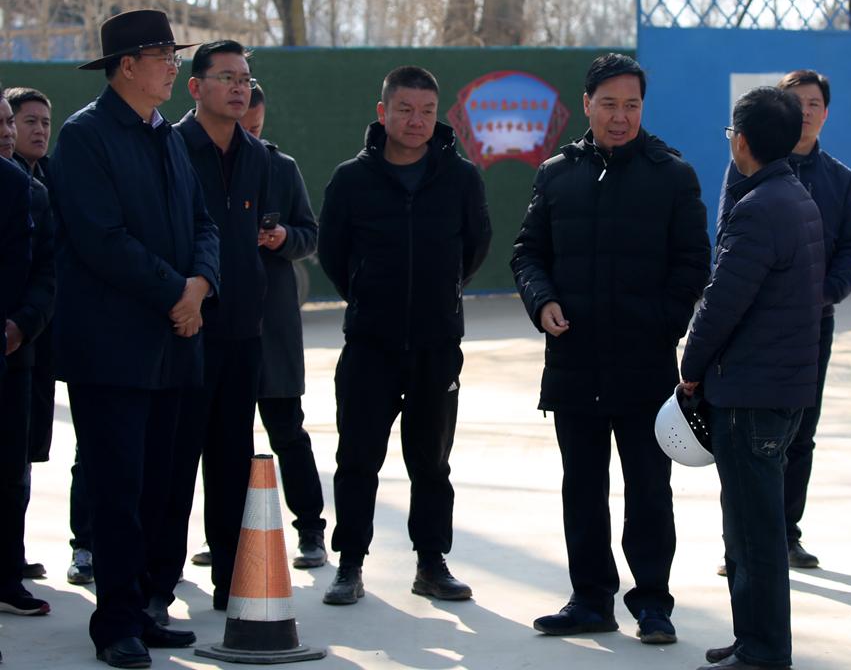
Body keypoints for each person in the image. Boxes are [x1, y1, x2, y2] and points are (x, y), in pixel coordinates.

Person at [512, 53, 710, 642]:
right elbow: (528, 253)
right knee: (583, 487)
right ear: (587, 105)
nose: (621, 117)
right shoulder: (556, 173)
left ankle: (652, 602)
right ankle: (590, 598)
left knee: (649, 489)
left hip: (644, 363)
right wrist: (541, 300)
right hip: (573, 361)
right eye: (609, 104)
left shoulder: (672, 175)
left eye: (632, 105)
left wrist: (662, 323)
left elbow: (694, 263)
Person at [52, 9, 217, 667]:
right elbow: (100, 240)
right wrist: (174, 291)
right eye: (163, 56)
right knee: (117, 491)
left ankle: (148, 607)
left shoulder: (167, 136)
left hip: (176, 341)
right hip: (113, 348)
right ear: (127, 66)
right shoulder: (85, 138)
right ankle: (115, 621)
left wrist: (200, 285)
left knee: (162, 488)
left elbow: (203, 224)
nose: (174, 67)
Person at [318, 65, 491, 606]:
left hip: (438, 346)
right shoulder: (351, 179)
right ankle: (349, 564)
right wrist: (370, 295)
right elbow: (333, 254)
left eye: (426, 111)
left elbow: (476, 246)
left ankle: (431, 563)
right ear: (382, 113)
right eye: (404, 110)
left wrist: (441, 293)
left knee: (432, 462)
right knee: (358, 458)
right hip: (370, 344)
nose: (416, 122)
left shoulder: (461, 178)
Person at [679, 86, 823, 670]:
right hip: (778, 389)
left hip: (750, 393)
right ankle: (750, 639)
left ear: (741, 140)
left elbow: (723, 301)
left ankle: (764, 649)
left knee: (755, 533)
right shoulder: (795, 195)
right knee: (745, 527)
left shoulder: (758, 208)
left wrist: (690, 365)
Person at [144, 40, 271, 623]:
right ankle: (156, 586)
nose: (239, 88)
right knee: (173, 465)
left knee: (231, 464)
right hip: (185, 331)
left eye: (245, 78)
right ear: (195, 88)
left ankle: (231, 581)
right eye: (225, 77)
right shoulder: (167, 146)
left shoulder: (259, 155)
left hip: (242, 335)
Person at [719, 69, 851, 570]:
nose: (806, 111)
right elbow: (727, 241)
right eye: (797, 102)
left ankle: (786, 532)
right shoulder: (745, 170)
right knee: (742, 433)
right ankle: (738, 539)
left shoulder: (839, 179)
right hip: (755, 324)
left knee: (799, 429)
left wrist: (823, 293)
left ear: (826, 112)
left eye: (815, 103)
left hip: (812, 322)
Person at [243, 84, 326, 568]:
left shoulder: (282, 167)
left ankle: (311, 531)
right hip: (218, 320)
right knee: (222, 439)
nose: (248, 136)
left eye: (255, 128)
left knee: (287, 432)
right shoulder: (192, 158)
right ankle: (225, 535)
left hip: (273, 322)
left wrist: (281, 237)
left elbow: (309, 235)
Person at [6, 88, 59, 584]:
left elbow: (51, 268)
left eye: (45, 122)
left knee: (21, 458)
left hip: (32, 342)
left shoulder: (49, 184)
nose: (38, 130)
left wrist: (25, 323)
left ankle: (12, 560)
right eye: (27, 122)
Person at [0, 103, 38, 618]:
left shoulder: (30, 193)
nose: (9, 133)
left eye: (10, 121)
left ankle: (7, 574)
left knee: (11, 473)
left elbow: (48, 272)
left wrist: (22, 324)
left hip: (16, 352)